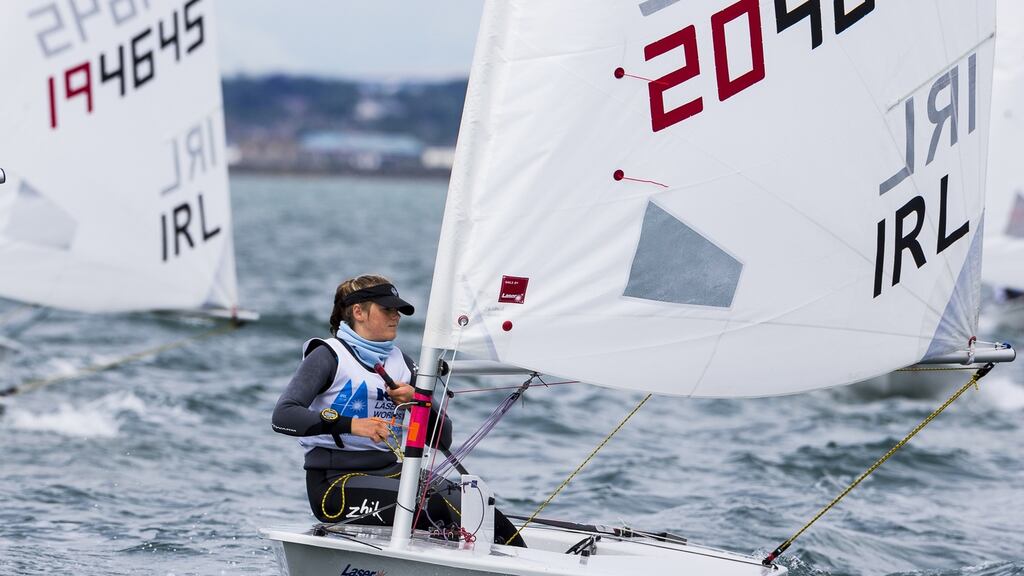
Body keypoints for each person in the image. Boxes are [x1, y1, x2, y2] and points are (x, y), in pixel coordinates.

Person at [272, 274, 525, 546]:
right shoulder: (327, 355)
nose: (396, 316)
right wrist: (352, 425)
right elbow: (283, 416)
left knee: (472, 501)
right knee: (433, 503)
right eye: (387, 309)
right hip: (335, 485)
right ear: (359, 312)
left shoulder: (400, 361)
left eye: (398, 311)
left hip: (389, 471)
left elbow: (443, 438)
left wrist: (419, 400)